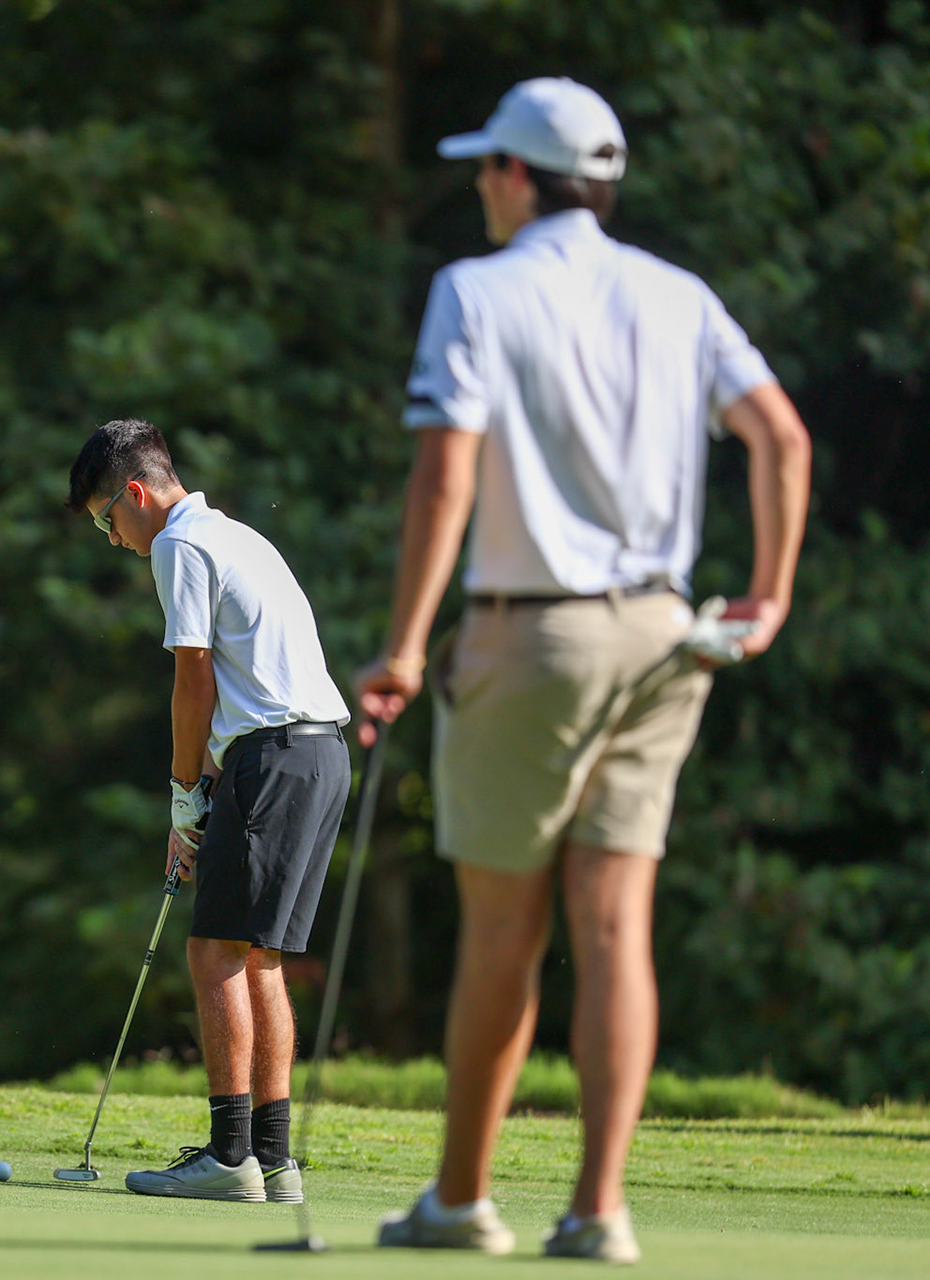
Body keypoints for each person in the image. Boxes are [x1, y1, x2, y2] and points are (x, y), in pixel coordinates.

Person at [356, 78, 811, 1262]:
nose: (479, 186)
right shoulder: (680, 294)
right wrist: (768, 594)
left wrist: (405, 644)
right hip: (668, 635)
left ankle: (461, 1202)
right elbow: (782, 435)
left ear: (518, 176)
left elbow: (444, 480)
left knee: (502, 929)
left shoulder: (475, 289)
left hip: (533, 634)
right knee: (616, 925)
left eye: (487, 168)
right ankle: (599, 1210)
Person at [66, 418, 354, 1204]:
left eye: (105, 520)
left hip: (273, 756)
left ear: (134, 493)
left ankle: (230, 1158)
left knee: (214, 953)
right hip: (318, 755)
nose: (113, 540)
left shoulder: (177, 545)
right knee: (257, 956)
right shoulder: (239, 535)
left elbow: (191, 680)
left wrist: (183, 794)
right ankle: (271, 1159)